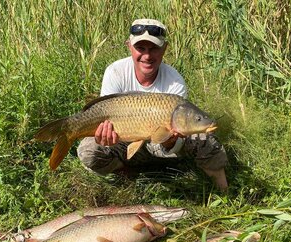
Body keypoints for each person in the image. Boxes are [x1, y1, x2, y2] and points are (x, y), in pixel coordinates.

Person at [77, 18, 229, 191]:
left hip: (161, 146)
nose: (147, 56)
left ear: (164, 48)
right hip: (124, 140)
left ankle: (223, 192)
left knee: (204, 138)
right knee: (88, 150)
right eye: (140, 48)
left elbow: (171, 143)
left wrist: (170, 142)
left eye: (154, 48)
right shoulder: (116, 71)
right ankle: (127, 173)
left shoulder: (174, 82)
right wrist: (105, 137)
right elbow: (104, 114)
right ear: (129, 46)